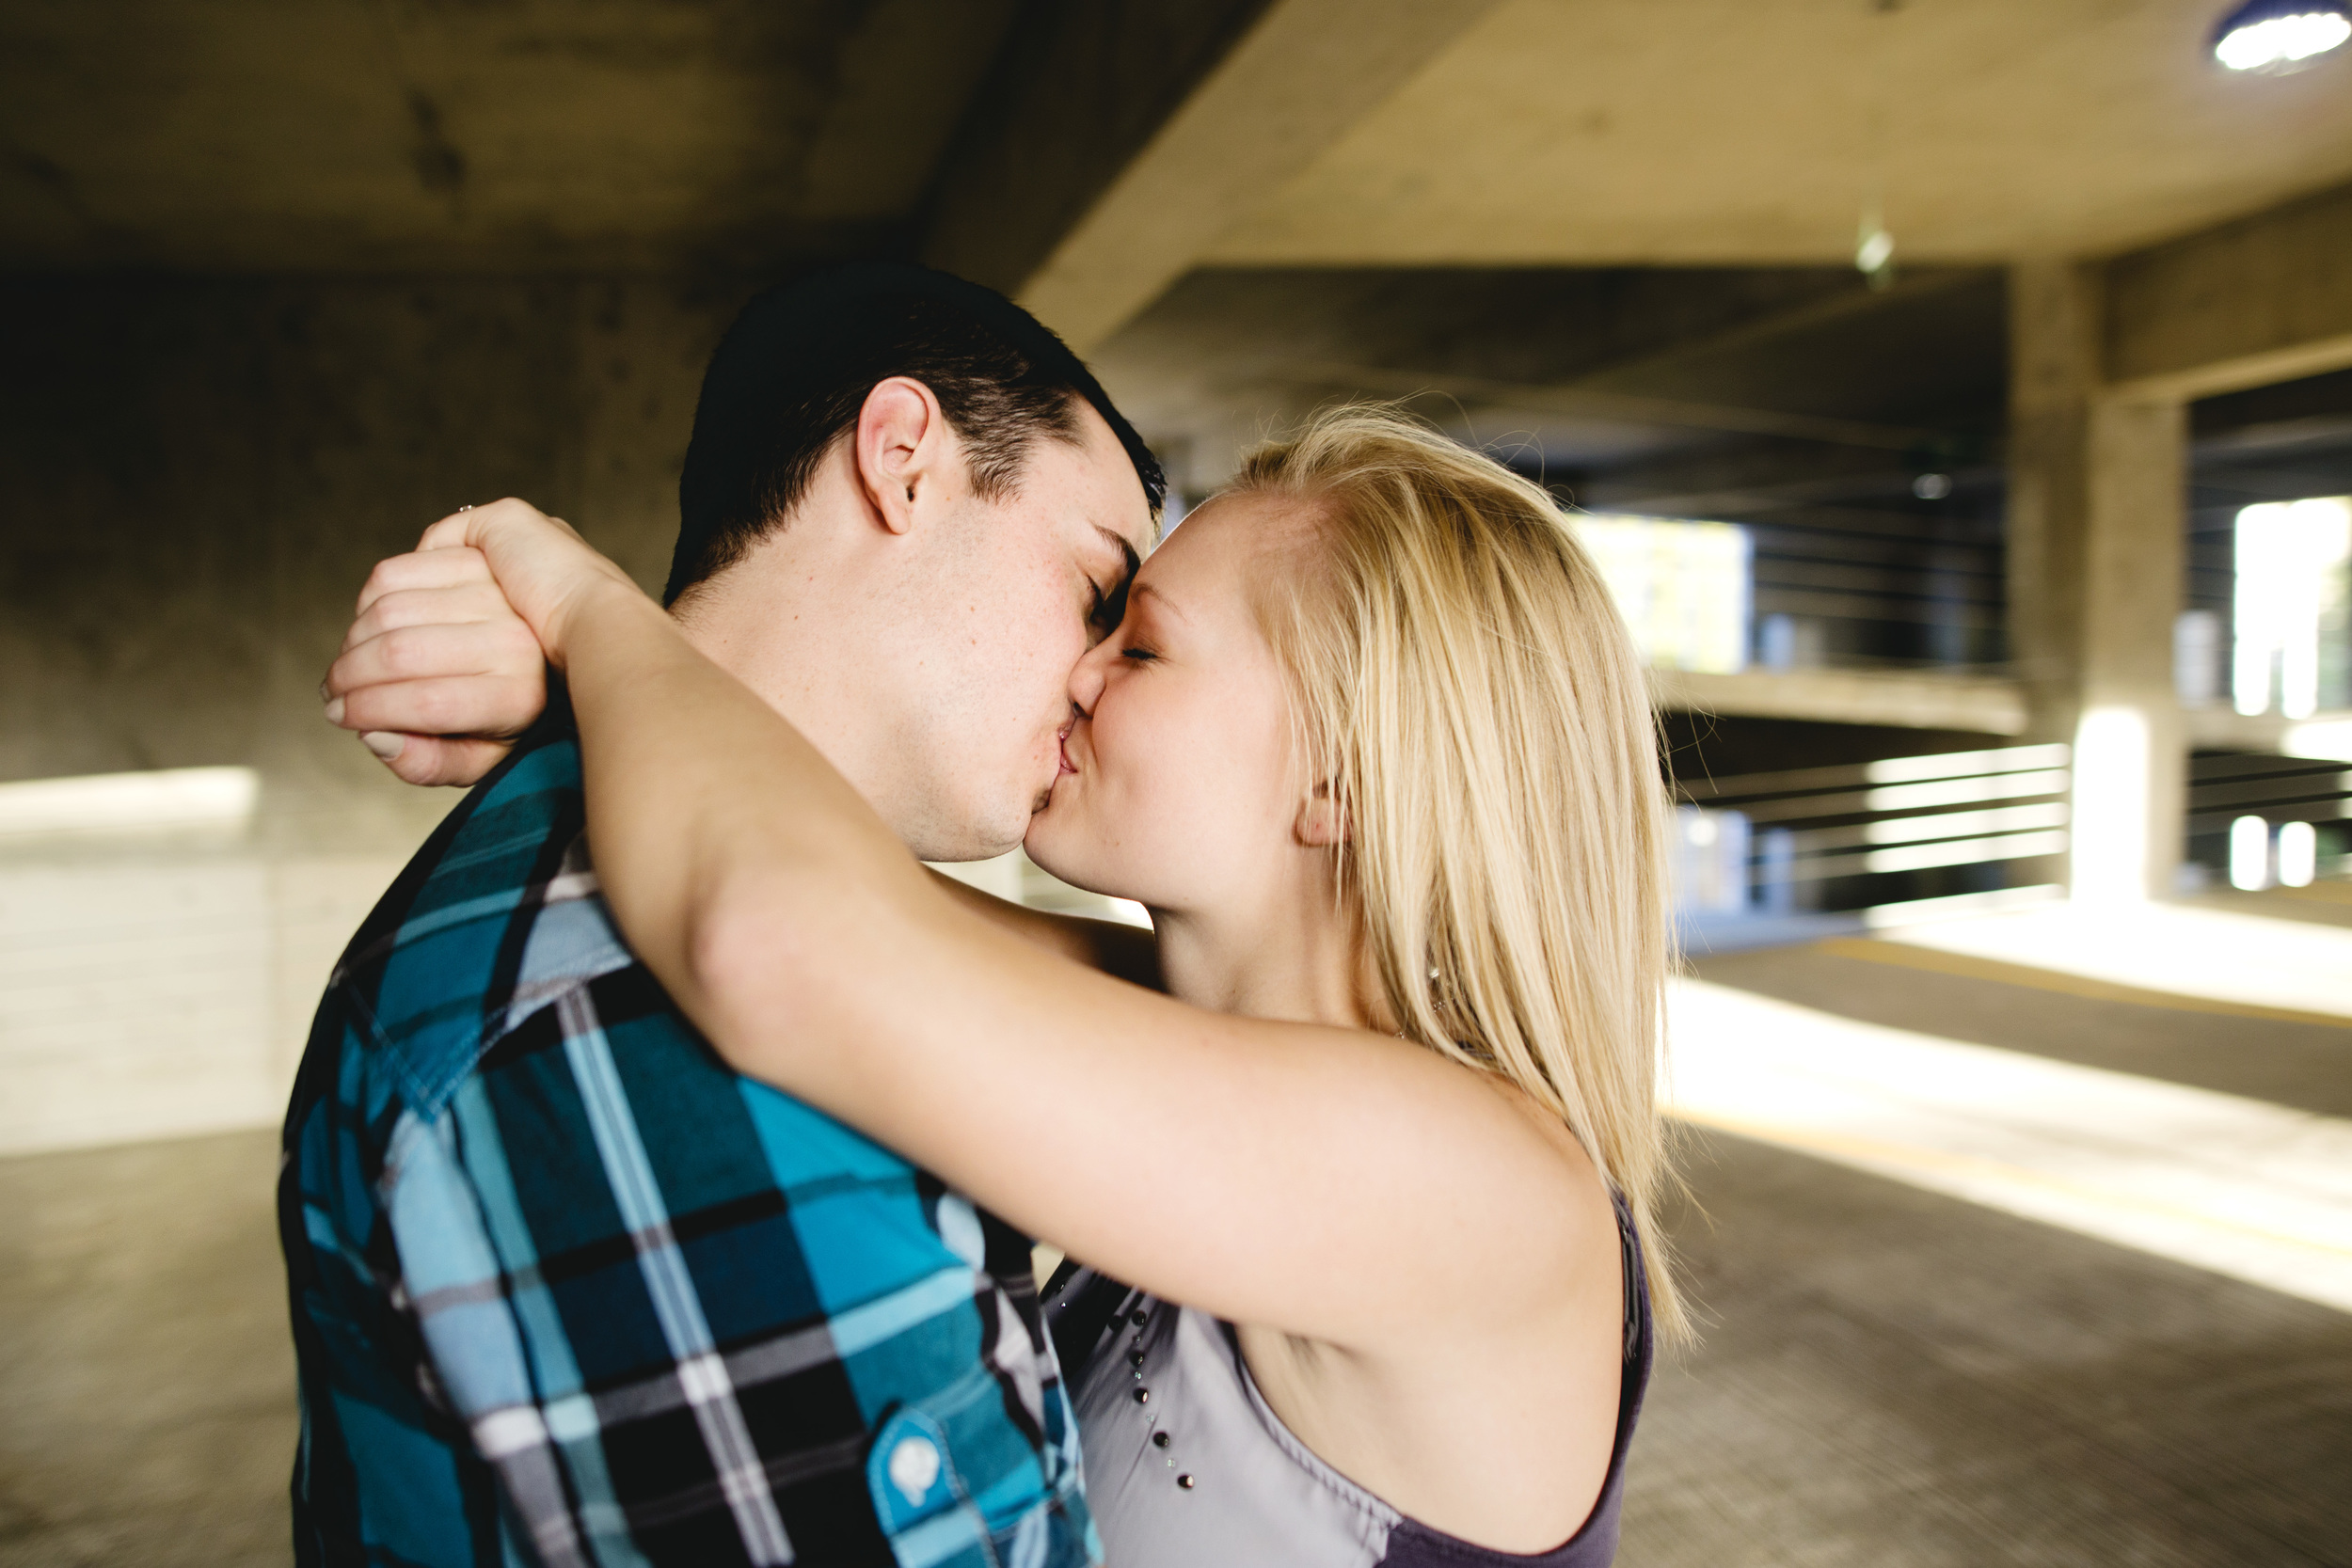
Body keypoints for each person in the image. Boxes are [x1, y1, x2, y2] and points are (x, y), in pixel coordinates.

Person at [327, 405, 1690, 1566]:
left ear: (1339, 779)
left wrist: (583, 605)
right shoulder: (1192, 1025)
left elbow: (777, 933)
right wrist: (594, 708)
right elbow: (838, 881)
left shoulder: (1482, 1191)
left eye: (1138, 642)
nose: (1076, 674)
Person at [280, 262, 1167, 1567]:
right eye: (1099, 590)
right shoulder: (620, 1000)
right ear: (903, 459)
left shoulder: (761, 910)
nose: (1102, 679)